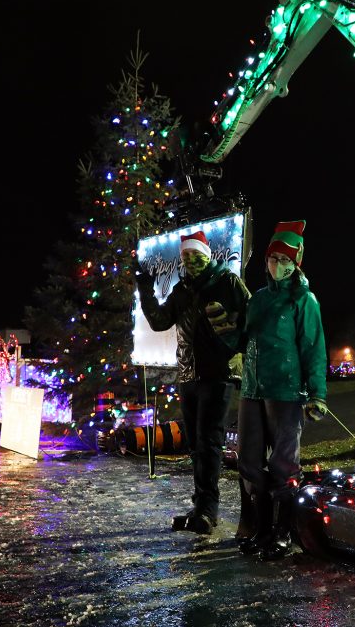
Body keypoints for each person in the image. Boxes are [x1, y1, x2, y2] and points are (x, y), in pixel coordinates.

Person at [136, 230, 251, 535]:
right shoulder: (182, 288)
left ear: (207, 254)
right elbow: (161, 321)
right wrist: (146, 291)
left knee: (209, 441)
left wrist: (232, 345)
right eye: (185, 256)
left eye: (195, 255)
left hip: (218, 374)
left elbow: (249, 320)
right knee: (195, 444)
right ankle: (200, 504)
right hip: (188, 374)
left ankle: (209, 510)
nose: (190, 260)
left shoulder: (227, 282)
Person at [237, 220, 327, 560]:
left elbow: (314, 348)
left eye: (286, 260)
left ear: (297, 262)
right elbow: (243, 339)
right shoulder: (258, 299)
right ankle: (260, 530)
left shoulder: (305, 301)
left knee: (283, 465)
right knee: (248, 460)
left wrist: (317, 393)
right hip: (252, 390)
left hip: (286, 392)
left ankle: (282, 533)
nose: (279, 266)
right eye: (274, 259)